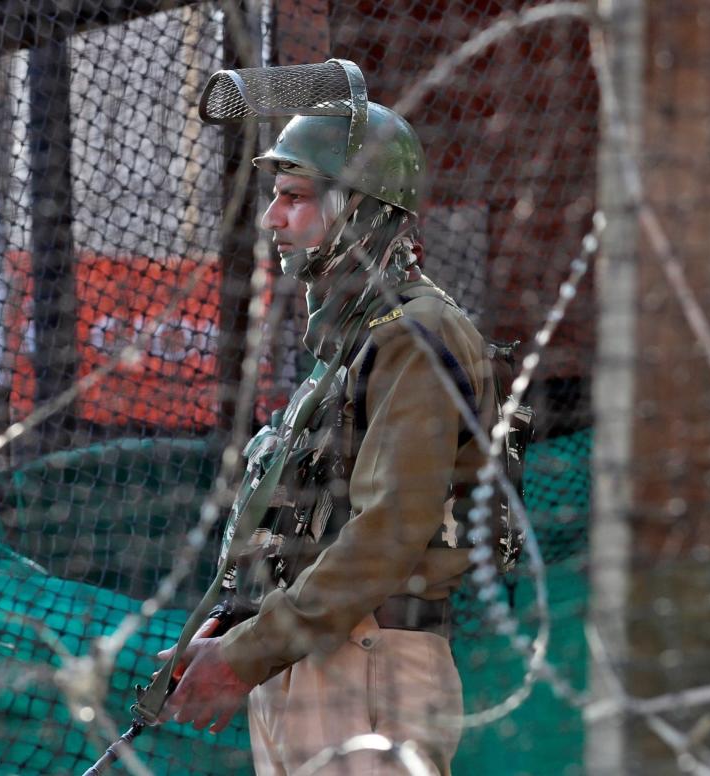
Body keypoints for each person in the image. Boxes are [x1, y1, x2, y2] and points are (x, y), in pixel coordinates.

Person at [159, 100, 498, 775]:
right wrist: (241, 627)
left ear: (359, 208)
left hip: (367, 666)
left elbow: (389, 532)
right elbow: (318, 520)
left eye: (294, 197)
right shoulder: (350, 342)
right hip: (312, 662)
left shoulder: (413, 334)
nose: (271, 219)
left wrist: (249, 652)